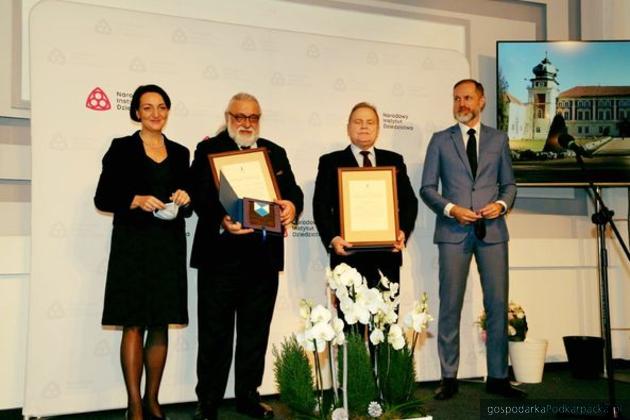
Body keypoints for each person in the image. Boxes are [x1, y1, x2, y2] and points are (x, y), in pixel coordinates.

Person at [190, 93, 304, 420]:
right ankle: (208, 401)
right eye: (240, 117)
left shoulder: (275, 152)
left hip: (262, 259)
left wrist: (292, 207)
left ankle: (247, 397)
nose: (246, 123)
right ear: (228, 117)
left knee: (255, 332)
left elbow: (292, 192)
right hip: (220, 258)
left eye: (253, 117)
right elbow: (200, 194)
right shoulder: (207, 149)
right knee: (214, 334)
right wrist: (220, 218)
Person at [420, 79, 523, 399]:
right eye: (456, 98)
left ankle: (497, 377)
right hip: (452, 232)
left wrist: (502, 205)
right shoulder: (439, 140)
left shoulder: (498, 139)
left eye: (467, 98)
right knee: (449, 305)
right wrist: (451, 209)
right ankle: (448, 377)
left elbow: (509, 185)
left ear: (481, 102)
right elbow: (427, 188)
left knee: (497, 305)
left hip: (493, 234)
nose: (461, 103)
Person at [94, 84, 192, 420]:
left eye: (162, 107)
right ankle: (134, 403)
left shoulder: (181, 153)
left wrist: (184, 196)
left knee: (160, 324)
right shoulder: (121, 148)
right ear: (136, 112)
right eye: (147, 107)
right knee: (133, 324)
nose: (155, 114)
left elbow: (190, 204)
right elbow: (103, 197)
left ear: (168, 111)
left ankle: (153, 399)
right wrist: (135, 200)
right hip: (132, 247)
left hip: (167, 246)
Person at [313, 102, 418, 289]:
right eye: (358, 122)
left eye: (370, 122)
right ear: (348, 127)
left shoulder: (394, 160)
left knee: (386, 316)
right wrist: (333, 239)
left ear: (378, 128)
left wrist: (402, 232)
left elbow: (409, 202)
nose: (364, 126)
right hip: (346, 255)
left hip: (387, 255)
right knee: (348, 318)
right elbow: (320, 205)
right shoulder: (330, 161)